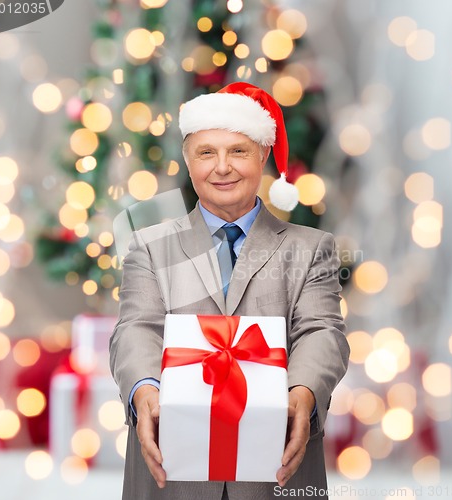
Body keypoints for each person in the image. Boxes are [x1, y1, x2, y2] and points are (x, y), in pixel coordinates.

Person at [110, 82, 349, 500]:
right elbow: (136, 328)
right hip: (172, 467)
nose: (222, 167)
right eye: (206, 153)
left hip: (275, 469)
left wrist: (304, 392)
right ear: (188, 160)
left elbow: (321, 332)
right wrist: (144, 389)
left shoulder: (310, 248)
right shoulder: (149, 245)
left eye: (238, 151)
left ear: (262, 156)